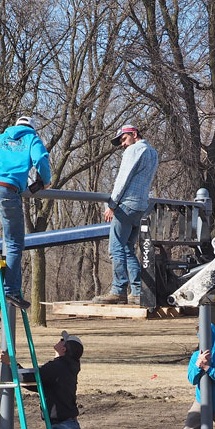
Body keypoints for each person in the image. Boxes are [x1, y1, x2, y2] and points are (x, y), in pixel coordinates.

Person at [0, 116, 51, 310]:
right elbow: (40, 158)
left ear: (15, 125)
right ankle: (10, 289)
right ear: (32, 128)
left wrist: (0, 164)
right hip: (7, 189)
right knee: (14, 241)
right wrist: (46, 180)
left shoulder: (0, 138)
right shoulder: (32, 139)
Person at [94, 125, 159, 306]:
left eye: (123, 139)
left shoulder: (133, 150)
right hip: (141, 207)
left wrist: (112, 205)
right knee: (128, 249)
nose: (123, 144)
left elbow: (122, 178)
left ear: (134, 134)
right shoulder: (153, 153)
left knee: (115, 248)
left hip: (127, 205)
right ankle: (137, 291)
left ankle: (118, 290)